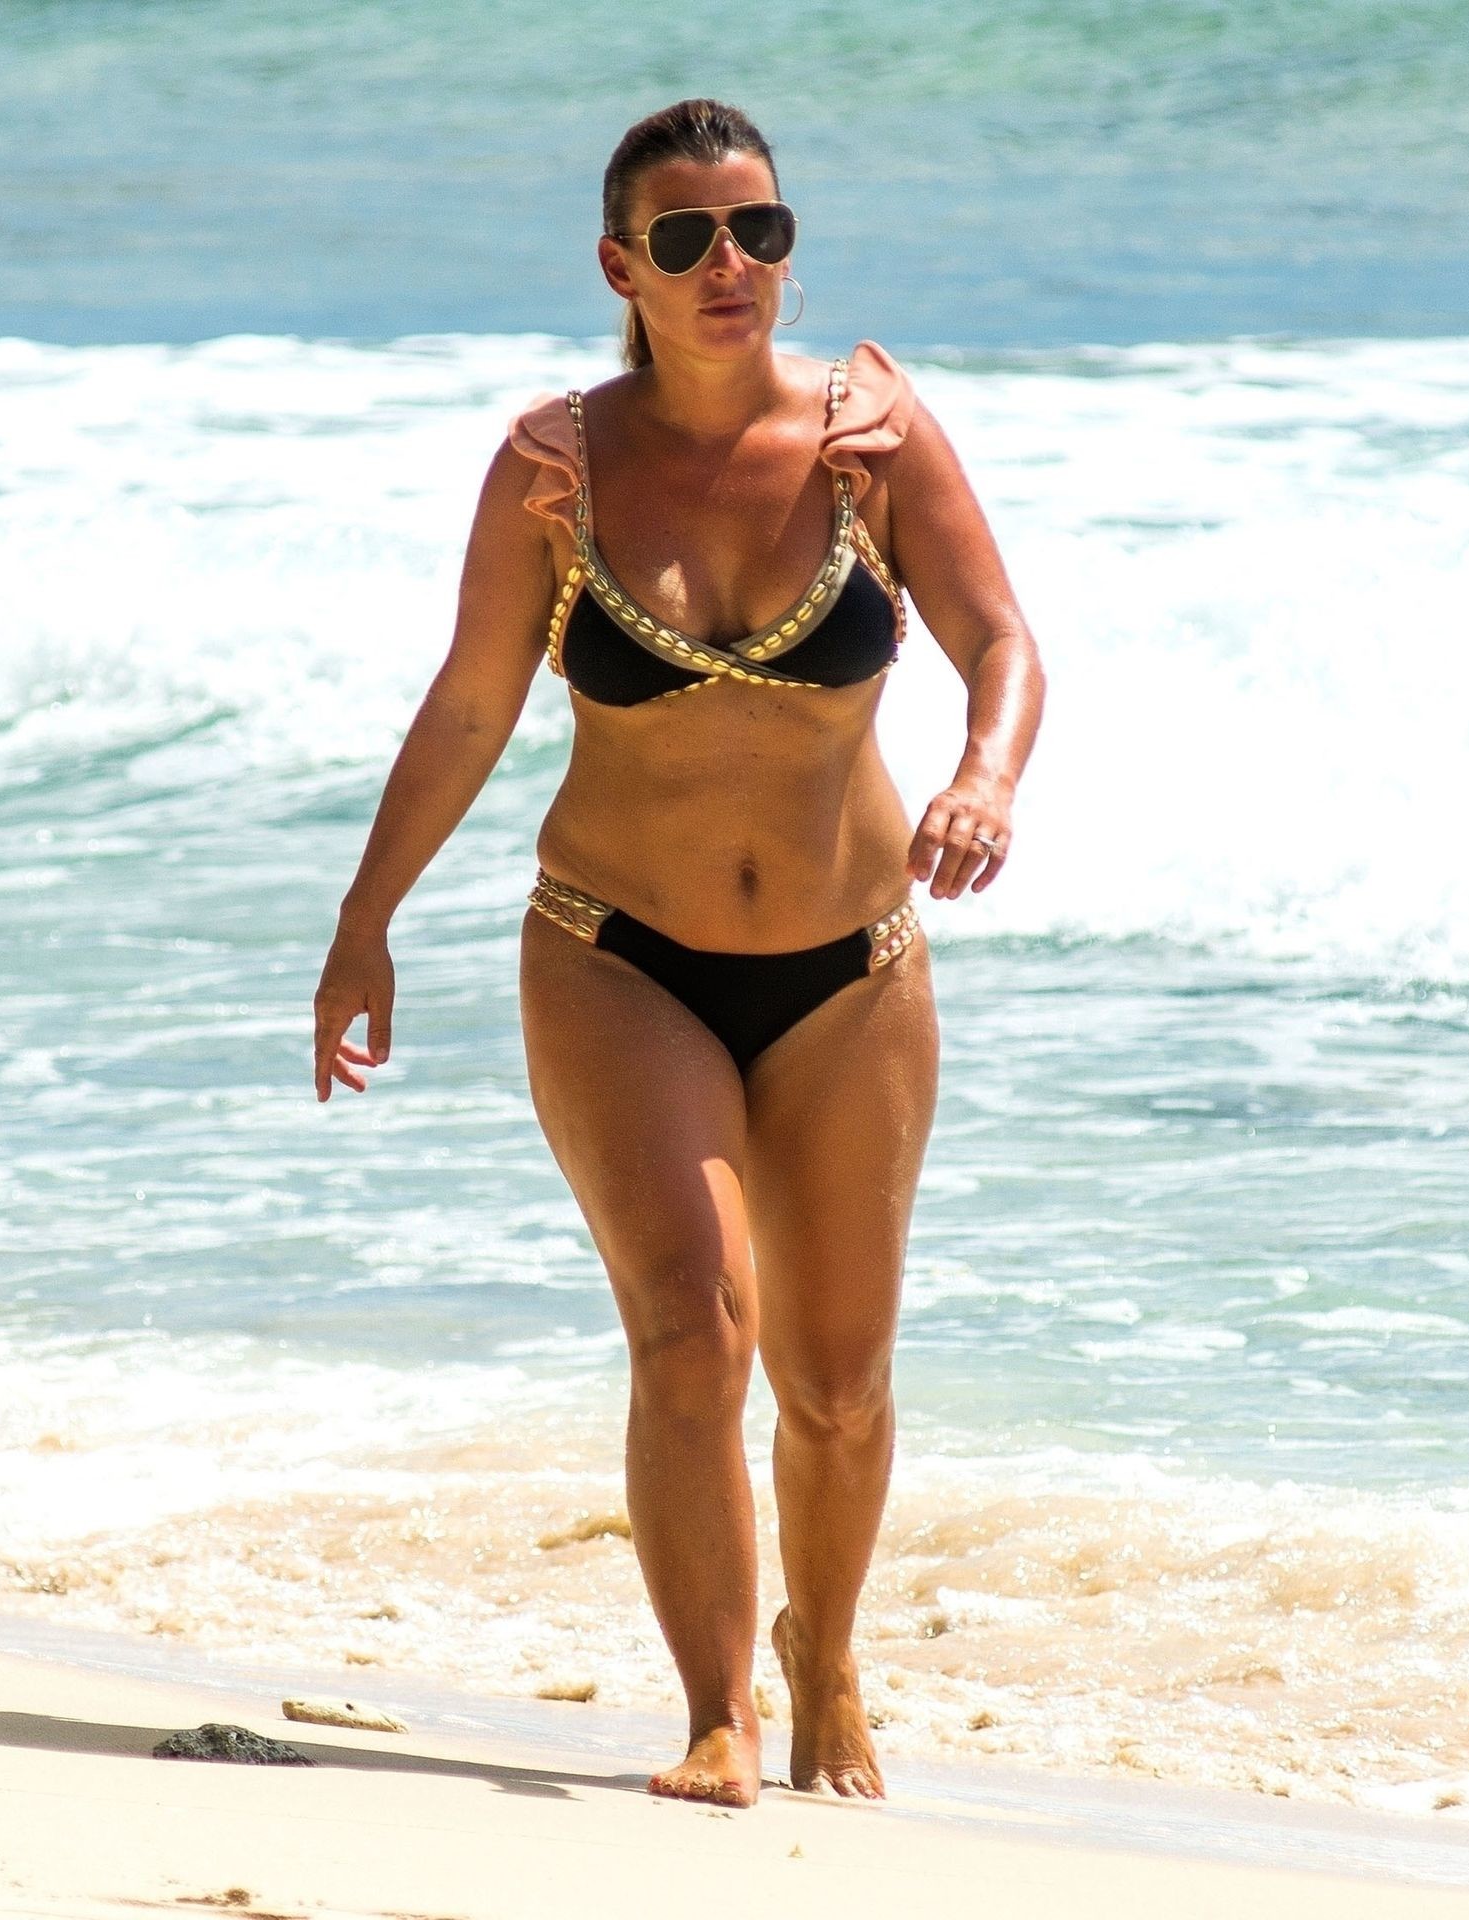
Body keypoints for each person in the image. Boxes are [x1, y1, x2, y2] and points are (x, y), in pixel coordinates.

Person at [312, 97, 1046, 1808]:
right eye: (686, 237)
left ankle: (824, 1658)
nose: (731, 265)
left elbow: (1002, 639)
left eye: (759, 231)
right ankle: (717, 1714)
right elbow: (472, 704)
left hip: (851, 968)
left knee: (838, 1385)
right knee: (693, 1329)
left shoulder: (872, 439)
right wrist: (364, 923)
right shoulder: (553, 470)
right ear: (616, 268)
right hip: (615, 953)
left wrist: (985, 777)